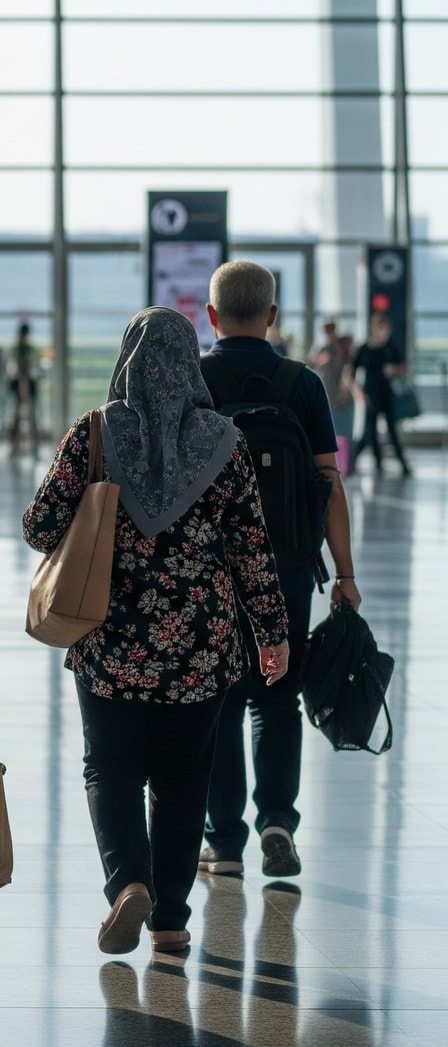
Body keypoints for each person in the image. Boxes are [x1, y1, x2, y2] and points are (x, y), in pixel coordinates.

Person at [23, 306, 291, 955]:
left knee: (109, 768)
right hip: (201, 640)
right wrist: (272, 630)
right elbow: (251, 546)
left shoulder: (93, 435)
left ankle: (127, 884)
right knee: (183, 779)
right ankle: (170, 917)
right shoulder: (223, 442)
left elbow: (38, 526)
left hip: (110, 631)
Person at [198, 261, 361, 880]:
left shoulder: (199, 378)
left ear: (210, 317)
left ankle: (225, 842)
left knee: (219, 702)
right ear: (272, 316)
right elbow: (329, 482)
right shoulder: (303, 383)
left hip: (213, 570)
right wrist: (343, 574)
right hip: (289, 564)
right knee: (277, 699)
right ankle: (277, 822)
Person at [353, 312, 411, 476]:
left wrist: (394, 370)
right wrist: (358, 391)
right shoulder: (364, 349)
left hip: (387, 395)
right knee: (369, 433)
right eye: (381, 327)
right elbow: (350, 372)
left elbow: (402, 365)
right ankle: (376, 463)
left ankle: (403, 464)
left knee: (392, 430)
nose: (384, 331)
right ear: (374, 328)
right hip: (370, 395)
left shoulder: (389, 347)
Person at [310, 322, 356, 475]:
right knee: (333, 433)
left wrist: (343, 391)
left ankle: (348, 466)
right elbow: (312, 365)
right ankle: (337, 465)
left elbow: (348, 371)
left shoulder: (344, 348)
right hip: (329, 396)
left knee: (346, 433)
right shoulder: (323, 349)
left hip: (342, 398)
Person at [7, 321, 40, 453]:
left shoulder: (22, 350)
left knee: (28, 415)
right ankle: (16, 442)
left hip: (25, 385)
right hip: (19, 385)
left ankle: (28, 442)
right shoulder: (20, 350)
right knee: (18, 415)